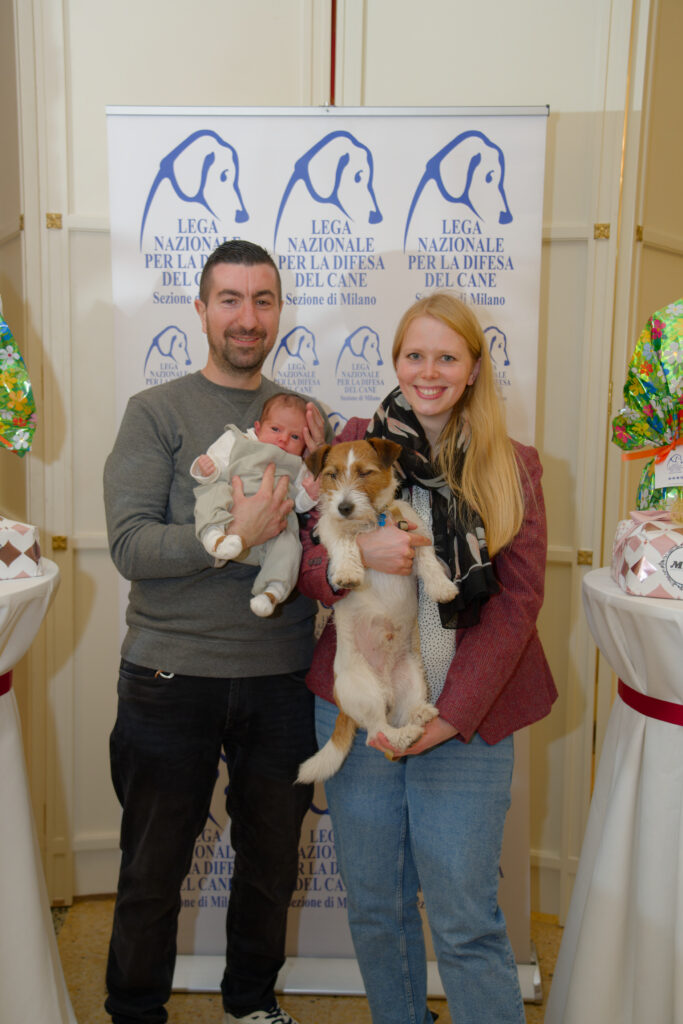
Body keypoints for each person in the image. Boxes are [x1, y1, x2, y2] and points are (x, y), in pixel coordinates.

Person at [298, 292, 557, 1024]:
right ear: (396, 362)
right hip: (360, 696)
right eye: (415, 355)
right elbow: (303, 565)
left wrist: (448, 718)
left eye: (446, 356)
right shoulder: (351, 444)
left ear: (473, 367)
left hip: (464, 717)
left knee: (465, 919)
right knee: (377, 909)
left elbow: (516, 605)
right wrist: (355, 552)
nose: (429, 371)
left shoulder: (514, 467)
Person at [103, 239, 330, 1024]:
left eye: (262, 300)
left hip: (280, 678)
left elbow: (324, 535)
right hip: (170, 674)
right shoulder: (156, 412)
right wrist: (226, 532)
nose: (246, 316)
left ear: (278, 313)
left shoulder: (302, 420)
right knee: (151, 870)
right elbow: (131, 544)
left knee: (270, 865)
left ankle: (250, 1003)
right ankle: (134, 1011)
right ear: (201, 310)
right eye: (229, 299)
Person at [191, 392, 320, 617]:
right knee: (214, 493)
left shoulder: (297, 465)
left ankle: (272, 591)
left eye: (295, 437)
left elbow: (299, 505)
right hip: (231, 513)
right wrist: (206, 470)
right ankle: (214, 536)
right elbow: (216, 469)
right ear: (257, 428)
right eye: (276, 430)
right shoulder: (237, 440)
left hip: (275, 529)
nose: (283, 440)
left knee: (290, 544)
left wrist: (311, 494)